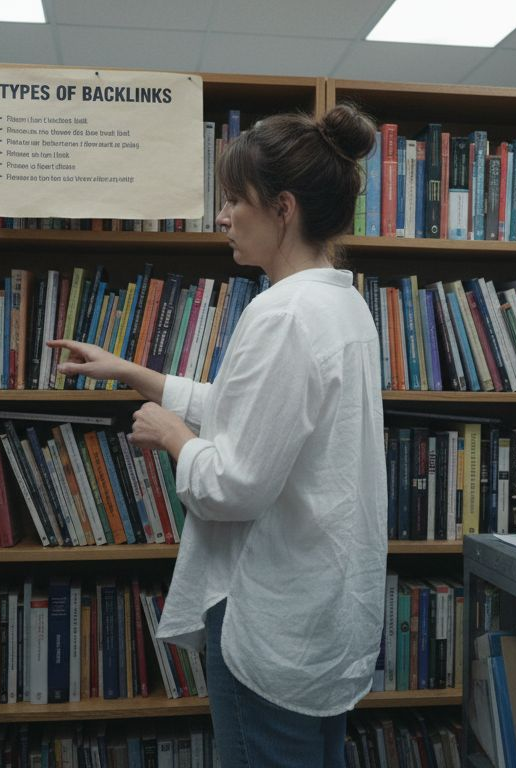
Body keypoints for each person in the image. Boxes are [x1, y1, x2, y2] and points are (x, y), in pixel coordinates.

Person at [47, 103, 386, 768]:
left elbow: (234, 487)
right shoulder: (341, 302)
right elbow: (256, 415)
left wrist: (174, 436)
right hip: (316, 612)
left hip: (269, 617)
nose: (222, 217)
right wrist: (133, 373)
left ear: (282, 208)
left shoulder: (283, 314)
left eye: (235, 200)